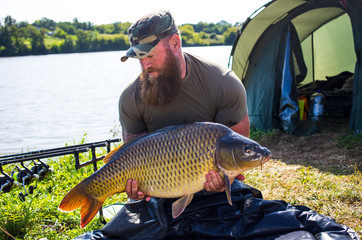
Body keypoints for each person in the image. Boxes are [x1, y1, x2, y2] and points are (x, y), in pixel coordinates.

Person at [118, 10, 249, 202]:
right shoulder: (130, 98)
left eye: (151, 55)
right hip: (159, 189)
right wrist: (136, 189)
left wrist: (224, 179)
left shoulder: (223, 83)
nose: (145, 65)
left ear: (175, 44)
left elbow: (237, 154)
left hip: (215, 192)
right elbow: (130, 156)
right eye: (139, 58)